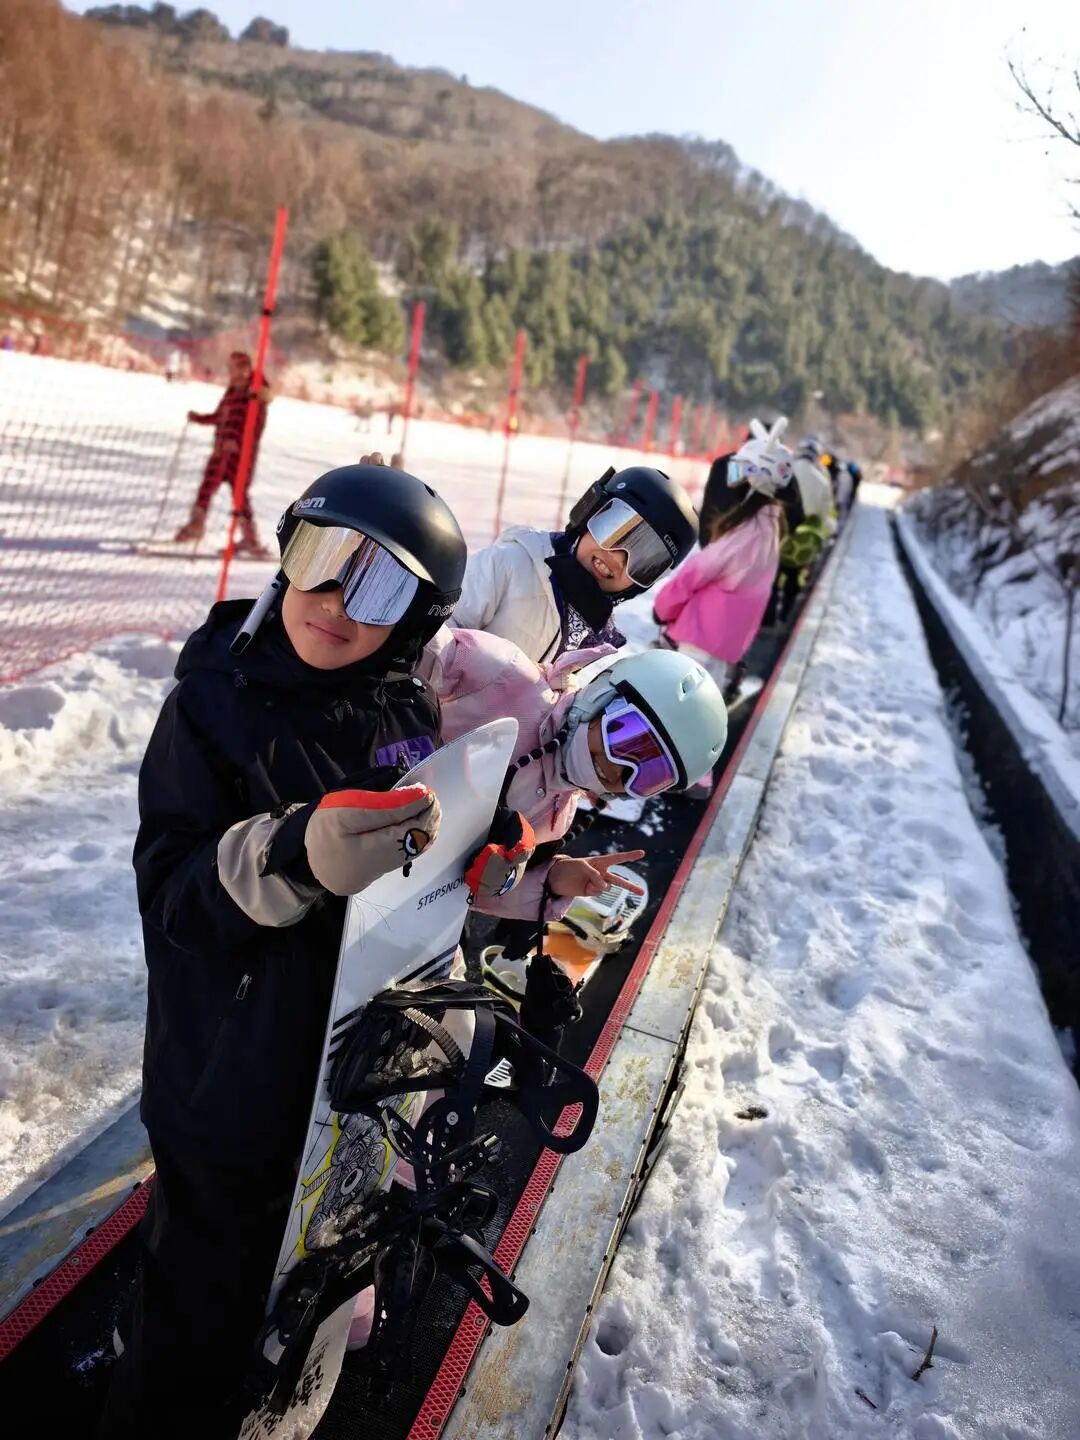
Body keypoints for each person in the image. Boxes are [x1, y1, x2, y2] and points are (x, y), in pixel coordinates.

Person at [98, 462, 530, 1440]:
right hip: (226, 1082)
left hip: (342, 1078)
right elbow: (174, 899)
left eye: (376, 586)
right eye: (319, 557)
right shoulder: (213, 708)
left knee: (307, 1274)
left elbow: (418, 865)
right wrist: (293, 854)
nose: (333, 599)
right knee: (197, 1305)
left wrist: (478, 853)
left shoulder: (404, 714)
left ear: (418, 621)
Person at [421, 633, 728, 978]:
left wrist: (553, 880)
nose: (618, 770)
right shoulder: (507, 679)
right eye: (626, 740)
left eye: (648, 776)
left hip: (403, 913)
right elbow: (403, 643)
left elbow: (468, 888)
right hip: (372, 816)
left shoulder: (555, 818)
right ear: (601, 697)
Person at [451, 465, 698, 664]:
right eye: (614, 531)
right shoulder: (510, 564)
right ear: (588, 513)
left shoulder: (595, 634)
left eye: (643, 563)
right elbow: (440, 632)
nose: (617, 557)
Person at [653, 418, 793, 691]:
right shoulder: (770, 527)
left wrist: (663, 607)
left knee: (669, 700)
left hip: (699, 638)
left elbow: (696, 572)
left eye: (740, 470)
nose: (733, 478)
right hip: (725, 644)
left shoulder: (747, 532)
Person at [173, 350, 272, 555]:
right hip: (221, 450)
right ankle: (196, 525)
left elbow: (255, 427)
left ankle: (250, 538)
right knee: (207, 486)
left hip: (240, 456)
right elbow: (220, 416)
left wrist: (238, 443)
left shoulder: (254, 394)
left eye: (235, 367)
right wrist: (199, 418)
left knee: (239, 495)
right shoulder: (232, 391)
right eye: (230, 367)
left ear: (245, 369)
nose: (231, 371)